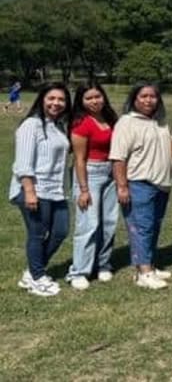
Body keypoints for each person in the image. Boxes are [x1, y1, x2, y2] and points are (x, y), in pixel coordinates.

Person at [111, 83, 172, 290]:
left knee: (154, 227)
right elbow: (118, 157)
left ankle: (150, 265)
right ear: (135, 99)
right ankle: (143, 272)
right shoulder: (126, 122)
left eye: (153, 96)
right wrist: (122, 186)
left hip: (161, 184)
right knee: (142, 228)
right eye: (143, 96)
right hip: (139, 183)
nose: (148, 100)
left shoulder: (161, 123)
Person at [10, 83, 71, 297]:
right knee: (37, 234)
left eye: (61, 99)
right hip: (35, 189)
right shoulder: (31, 125)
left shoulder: (58, 125)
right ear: (42, 100)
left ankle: (32, 271)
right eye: (51, 98)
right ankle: (37, 278)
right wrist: (29, 191)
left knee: (61, 231)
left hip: (56, 190)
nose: (56, 103)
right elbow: (23, 163)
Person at [65, 82, 119, 290]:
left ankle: (102, 264)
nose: (94, 101)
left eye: (98, 96)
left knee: (109, 222)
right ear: (81, 101)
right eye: (89, 98)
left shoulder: (109, 118)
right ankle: (79, 271)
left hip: (110, 173)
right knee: (88, 224)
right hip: (90, 173)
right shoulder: (81, 123)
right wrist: (84, 190)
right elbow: (79, 159)